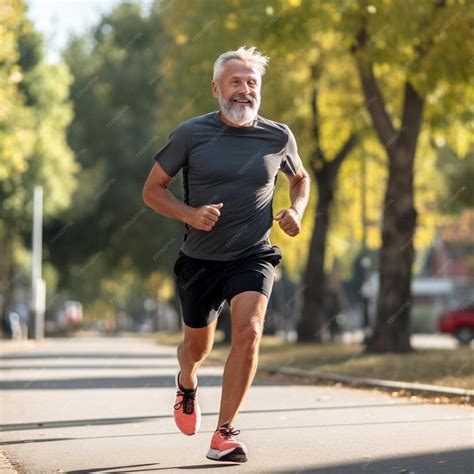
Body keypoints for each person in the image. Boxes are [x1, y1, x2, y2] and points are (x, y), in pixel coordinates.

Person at [143, 46, 310, 463]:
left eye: (252, 82)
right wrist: (189, 214)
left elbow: (301, 178)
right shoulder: (191, 133)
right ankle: (186, 381)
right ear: (216, 88)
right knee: (196, 347)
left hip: (253, 255)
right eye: (236, 82)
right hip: (199, 260)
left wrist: (295, 209)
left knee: (250, 331)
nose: (245, 90)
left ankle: (224, 433)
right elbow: (152, 191)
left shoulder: (278, 136)